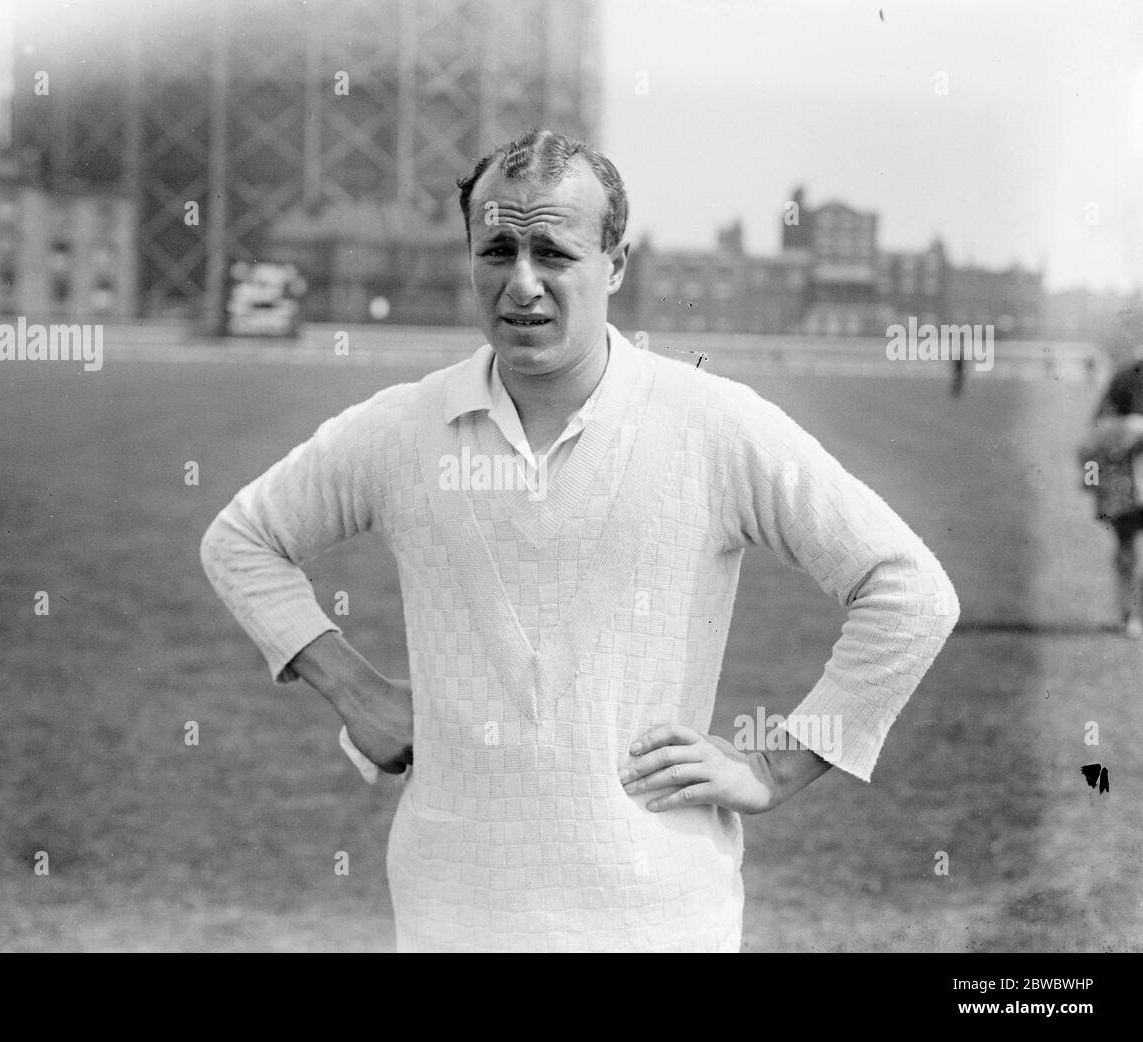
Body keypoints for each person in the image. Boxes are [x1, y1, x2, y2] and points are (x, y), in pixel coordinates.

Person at [200, 128, 960, 952]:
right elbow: (243, 538)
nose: (521, 284)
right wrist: (355, 689)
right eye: (496, 249)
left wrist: (779, 764)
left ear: (615, 265)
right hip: (452, 911)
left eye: (553, 252)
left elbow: (908, 589)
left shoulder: (711, 424)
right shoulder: (402, 429)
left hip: (658, 916)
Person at [1078, 352, 1143, 637]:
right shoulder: (1125, 377)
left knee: (1126, 548)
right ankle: (1128, 616)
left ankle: (1131, 617)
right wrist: (1092, 479)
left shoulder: (1125, 375)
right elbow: (1095, 434)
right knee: (1126, 547)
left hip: (1127, 480)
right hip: (1125, 480)